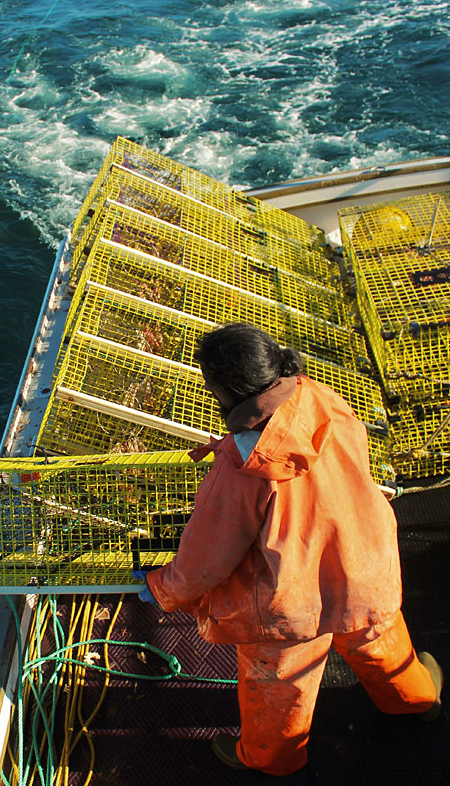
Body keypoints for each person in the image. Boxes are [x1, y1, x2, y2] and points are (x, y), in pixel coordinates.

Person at [134, 323, 443, 776]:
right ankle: (419, 702)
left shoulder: (241, 467)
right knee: (379, 640)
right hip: (366, 566)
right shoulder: (322, 399)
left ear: (225, 390)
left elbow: (206, 560)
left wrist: (163, 587)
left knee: (278, 687)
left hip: (291, 606)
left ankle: (271, 760)